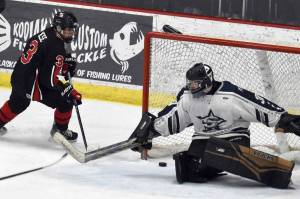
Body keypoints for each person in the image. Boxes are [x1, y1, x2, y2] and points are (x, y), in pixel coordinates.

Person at [130, 62, 300, 188]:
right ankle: (211, 165)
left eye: (195, 84)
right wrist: (150, 131)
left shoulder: (231, 94)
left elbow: (258, 106)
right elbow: (174, 119)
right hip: (203, 140)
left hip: (234, 138)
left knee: (215, 152)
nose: (191, 87)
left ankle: (271, 170)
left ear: (206, 81)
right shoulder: (187, 98)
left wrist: (286, 119)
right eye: (189, 83)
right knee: (186, 168)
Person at [0, 11, 82, 142]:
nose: (71, 33)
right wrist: (69, 90)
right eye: (68, 30)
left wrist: (63, 63)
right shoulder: (57, 48)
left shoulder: (48, 33)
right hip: (33, 83)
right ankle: (60, 131)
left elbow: (44, 57)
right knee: (66, 101)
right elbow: (49, 81)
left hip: (20, 75)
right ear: (59, 28)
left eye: (72, 30)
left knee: (18, 103)